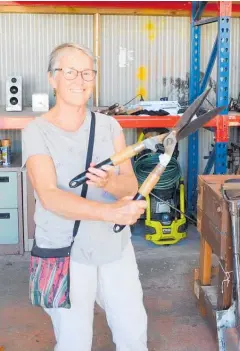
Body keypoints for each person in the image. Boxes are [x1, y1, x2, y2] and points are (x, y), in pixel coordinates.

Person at [22, 43, 148, 351]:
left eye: (88, 73)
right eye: (70, 72)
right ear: (52, 79)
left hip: (113, 247)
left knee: (133, 332)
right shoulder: (36, 131)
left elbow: (129, 184)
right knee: (74, 341)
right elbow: (50, 196)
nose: (80, 80)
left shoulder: (109, 125)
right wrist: (111, 213)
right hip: (67, 252)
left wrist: (111, 184)